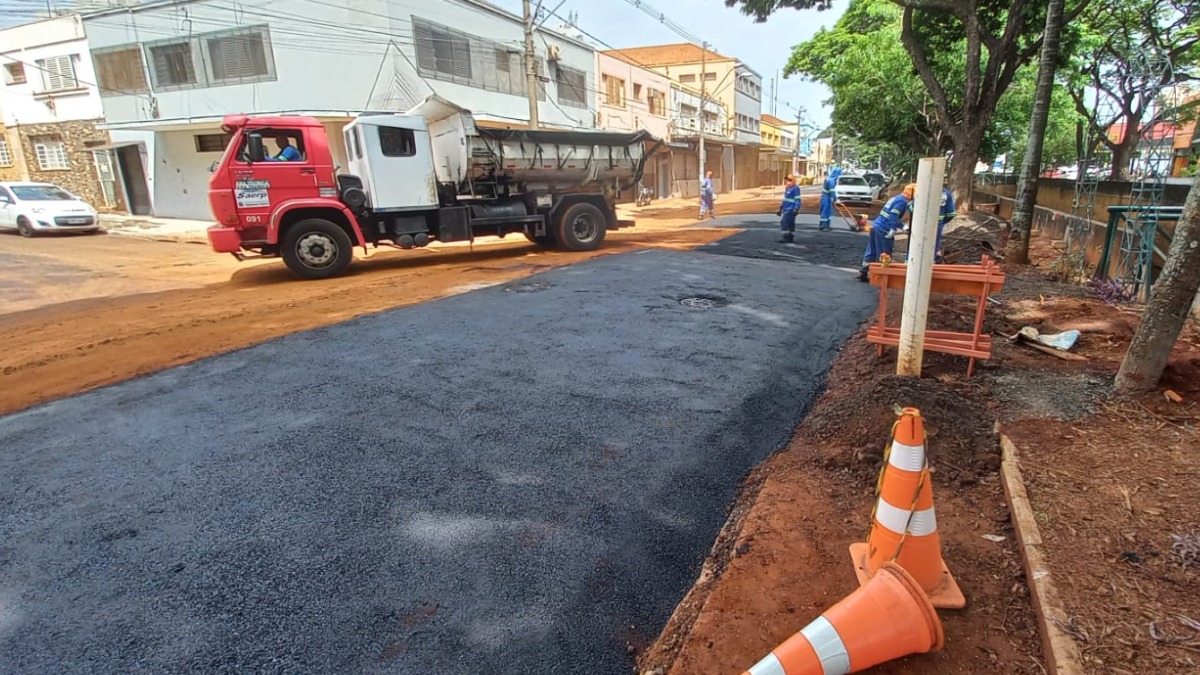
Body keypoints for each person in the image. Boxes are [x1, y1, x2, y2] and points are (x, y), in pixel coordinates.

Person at [858, 183, 915, 282]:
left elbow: (889, 215)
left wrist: (903, 226)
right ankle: (879, 276)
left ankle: (864, 271)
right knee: (884, 253)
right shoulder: (902, 202)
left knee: (872, 250)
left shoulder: (896, 198)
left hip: (876, 226)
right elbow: (893, 215)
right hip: (884, 229)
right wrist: (893, 229)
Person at [776, 174, 802, 243]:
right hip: (787, 209)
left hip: (791, 209)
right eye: (787, 180)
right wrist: (781, 209)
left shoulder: (795, 188)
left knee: (784, 222)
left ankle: (786, 237)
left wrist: (796, 208)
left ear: (793, 181)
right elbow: (785, 200)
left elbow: (797, 199)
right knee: (790, 223)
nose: (788, 182)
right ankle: (790, 237)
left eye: (790, 180)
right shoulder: (787, 188)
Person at [818, 167, 843, 231]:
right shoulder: (831, 181)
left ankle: (826, 225)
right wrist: (835, 199)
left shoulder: (831, 179)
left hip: (827, 197)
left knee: (828, 212)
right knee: (825, 212)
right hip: (826, 198)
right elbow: (832, 191)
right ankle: (823, 226)